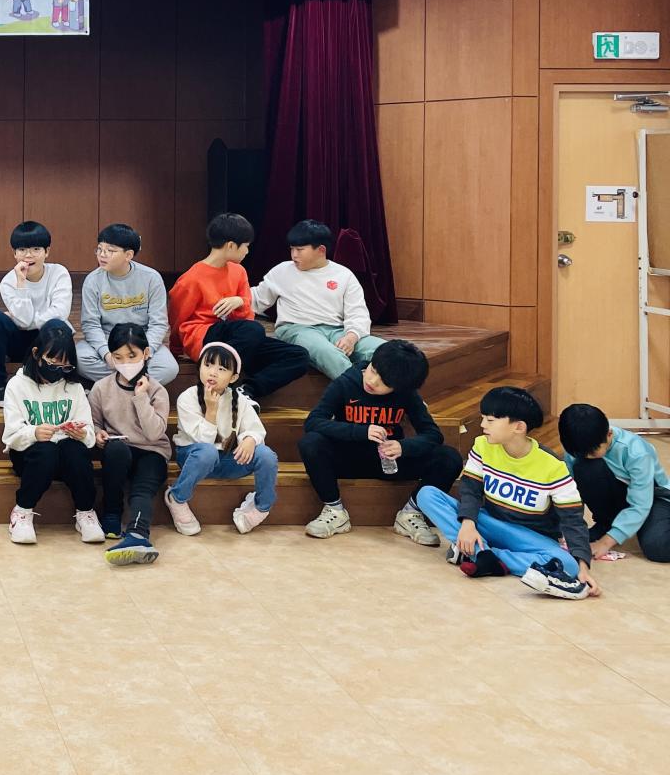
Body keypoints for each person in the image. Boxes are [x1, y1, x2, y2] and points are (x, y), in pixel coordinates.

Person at [414, 386, 597, 600]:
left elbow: (573, 520)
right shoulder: (482, 446)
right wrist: (468, 523)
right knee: (427, 495)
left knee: (566, 565)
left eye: (490, 420)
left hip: (528, 537)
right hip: (488, 523)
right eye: (483, 418)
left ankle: (482, 555)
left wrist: (583, 568)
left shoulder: (553, 467)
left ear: (518, 427)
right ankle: (479, 552)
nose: (483, 425)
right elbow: (470, 489)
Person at [298, 339, 461, 545]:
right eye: (373, 370)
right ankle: (334, 510)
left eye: (384, 382)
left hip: (389, 462)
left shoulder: (407, 394)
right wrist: (360, 431)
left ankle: (410, 514)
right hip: (347, 459)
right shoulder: (346, 382)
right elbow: (313, 422)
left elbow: (433, 435)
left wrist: (403, 447)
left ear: (399, 387)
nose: (373, 381)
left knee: (449, 457)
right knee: (311, 442)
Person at [166, 213, 309, 400]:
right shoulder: (190, 279)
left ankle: (247, 391)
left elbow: (246, 318)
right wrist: (175, 349)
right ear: (231, 246)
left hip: (239, 338)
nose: (247, 252)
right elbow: (177, 318)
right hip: (204, 336)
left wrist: (240, 302)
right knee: (254, 329)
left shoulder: (239, 271)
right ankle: (217, 386)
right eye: (246, 246)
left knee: (298, 356)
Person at [0, 319, 103, 546]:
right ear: (36, 354)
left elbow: (89, 433)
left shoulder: (74, 387)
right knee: (45, 451)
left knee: (76, 452)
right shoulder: (17, 385)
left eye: (65, 367)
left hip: (65, 455)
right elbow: (11, 435)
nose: (58, 371)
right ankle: (22, 512)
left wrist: (82, 435)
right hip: (30, 455)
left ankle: (86, 513)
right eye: (53, 363)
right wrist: (34, 433)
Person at [165, 342, 277, 536]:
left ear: (233, 377)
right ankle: (177, 497)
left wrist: (250, 439)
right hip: (194, 459)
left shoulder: (239, 399)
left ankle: (261, 507)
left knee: (266, 455)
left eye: (222, 369)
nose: (213, 372)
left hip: (226, 459)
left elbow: (256, 430)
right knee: (207, 452)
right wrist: (211, 410)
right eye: (208, 365)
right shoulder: (187, 398)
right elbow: (203, 441)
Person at [253, 219, 385, 381]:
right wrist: (233, 299)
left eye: (300, 249)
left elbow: (358, 312)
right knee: (327, 352)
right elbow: (256, 298)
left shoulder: (344, 275)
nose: (294, 255)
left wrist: (351, 337)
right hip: (297, 329)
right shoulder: (282, 271)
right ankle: (356, 389)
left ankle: (399, 393)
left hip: (337, 331)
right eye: (292, 249)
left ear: (321, 250)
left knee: (385, 350)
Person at [0, 220, 71, 412]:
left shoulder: (59, 273)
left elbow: (60, 312)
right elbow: (24, 320)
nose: (28, 255)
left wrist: (27, 321)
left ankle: (57, 384)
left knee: (57, 325)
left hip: (49, 340)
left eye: (36, 249)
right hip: (21, 344)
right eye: (22, 249)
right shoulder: (8, 282)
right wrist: (21, 284)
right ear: (14, 253)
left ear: (47, 251)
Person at [89, 323, 171, 565]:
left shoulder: (157, 391)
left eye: (132, 355)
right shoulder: (101, 388)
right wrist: (98, 434)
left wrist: (140, 397)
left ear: (145, 353)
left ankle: (137, 535)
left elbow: (154, 433)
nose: (125, 362)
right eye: (118, 357)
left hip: (152, 450)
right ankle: (112, 515)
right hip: (119, 450)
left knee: (143, 486)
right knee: (116, 452)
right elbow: (93, 423)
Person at [558, 402, 670, 563]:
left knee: (657, 546)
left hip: (653, 498)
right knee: (585, 468)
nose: (587, 456)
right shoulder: (577, 448)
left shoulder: (636, 452)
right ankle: (607, 523)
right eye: (581, 454)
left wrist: (606, 542)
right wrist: (568, 529)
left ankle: (620, 527)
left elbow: (641, 503)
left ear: (609, 434)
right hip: (618, 495)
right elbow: (568, 491)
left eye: (593, 452)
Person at [77, 222, 178, 388]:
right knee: (80, 359)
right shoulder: (92, 280)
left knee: (168, 368)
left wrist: (145, 352)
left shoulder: (151, 278)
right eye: (99, 249)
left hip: (141, 339)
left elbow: (159, 323)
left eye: (110, 251)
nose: (102, 255)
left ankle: (116, 386)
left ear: (128, 255)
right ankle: (135, 384)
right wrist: (107, 354)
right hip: (108, 337)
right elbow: (90, 325)